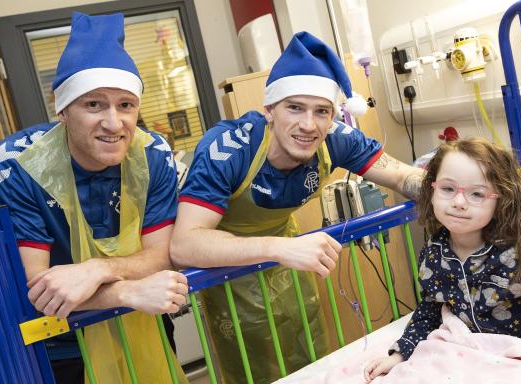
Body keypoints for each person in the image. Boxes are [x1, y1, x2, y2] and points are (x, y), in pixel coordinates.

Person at [170, 31, 424, 383]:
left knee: (309, 355)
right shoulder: (228, 150)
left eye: (322, 111)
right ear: (269, 110)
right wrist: (281, 248)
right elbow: (185, 243)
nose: (309, 125)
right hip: (229, 269)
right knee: (254, 368)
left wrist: (454, 186)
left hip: (290, 259)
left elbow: (400, 175)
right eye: (294, 108)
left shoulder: (335, 137)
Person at [0, 12, 188, 384]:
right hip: (61, 338)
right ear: (62, 110)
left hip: (141, 320)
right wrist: (127, 290)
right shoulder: (18, 164)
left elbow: (161, 255)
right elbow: (38, 284)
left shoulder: (154, 154)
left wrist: (97, 269)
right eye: (93, 104)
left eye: (126, 105)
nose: (114, 123)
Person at [363, 137, 521, 383]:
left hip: (520, 354)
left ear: (500, 200)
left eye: (477, 194)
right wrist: (401, 353)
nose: (458, 202)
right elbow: (429, 310)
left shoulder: (516, 255)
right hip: (468, 357)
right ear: (432, 189)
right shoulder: (433, 254)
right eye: (448, 189)